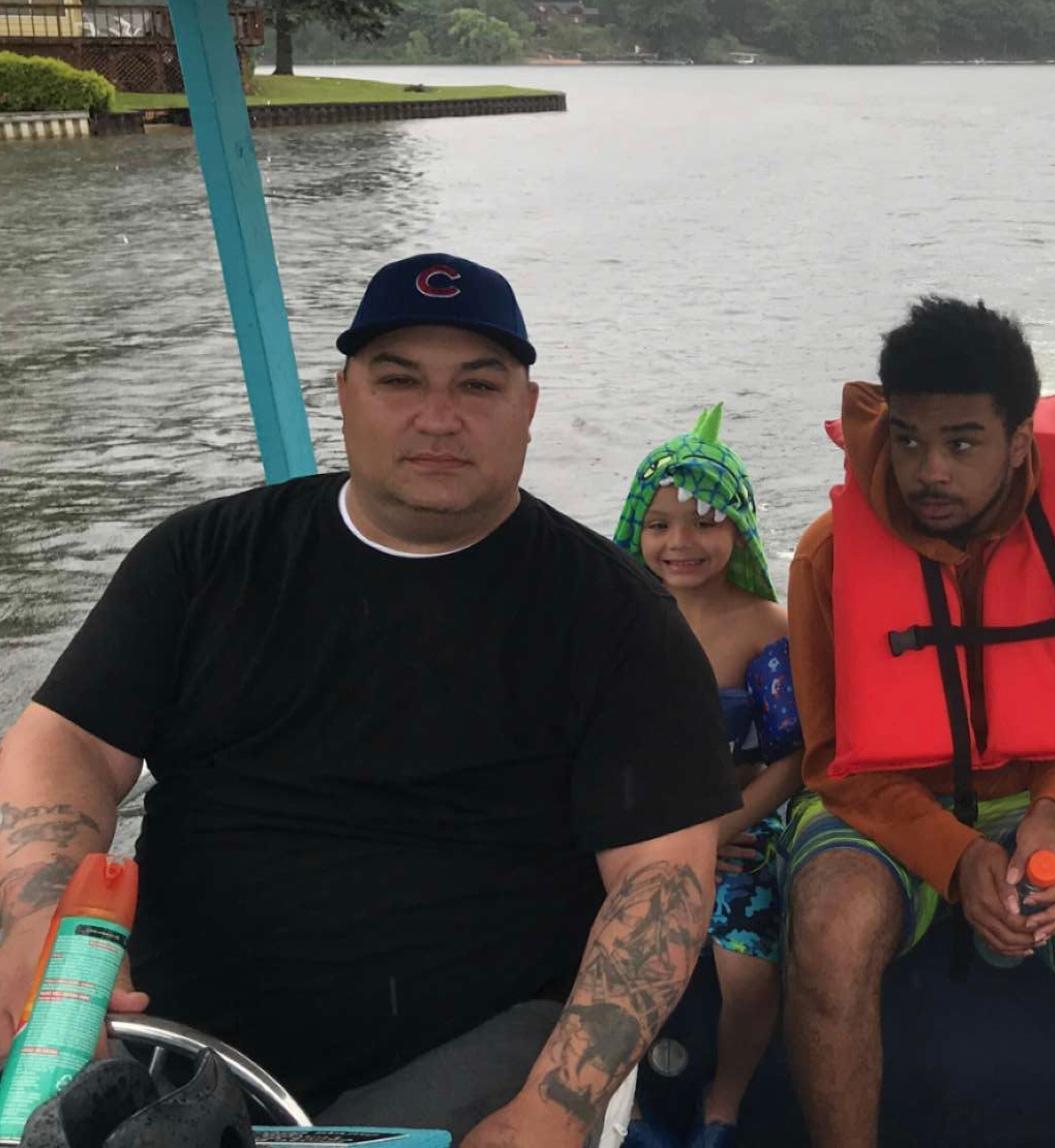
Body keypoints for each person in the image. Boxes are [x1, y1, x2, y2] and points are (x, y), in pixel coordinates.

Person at [0, 253, 737, 1146]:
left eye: (478, 385)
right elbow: (66, 744)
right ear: (344, 394)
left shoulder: (618, 618)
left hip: (471, 1055)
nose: (439, 417)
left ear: (529, 409)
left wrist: (553, 1110)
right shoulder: (203, 559)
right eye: (399, 380)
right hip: (163, 1031)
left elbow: (662, 879)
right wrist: (40, 924)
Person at [779, 297, 1055, 1148]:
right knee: (830, 928)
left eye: (962, 443)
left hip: (1047, 792)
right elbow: (833, 763)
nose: (928, 471)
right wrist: (955, 854)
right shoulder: (828, 554)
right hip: (880, 802)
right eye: (908, 440)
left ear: (1017, 442)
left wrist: (1052, 817)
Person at [612, 406, 801, 1148]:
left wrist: (718, 830)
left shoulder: (768, 627)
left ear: (740, 528)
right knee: (597, 940)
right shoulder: (615, 618)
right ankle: (625, 1103)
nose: (680, 543)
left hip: (742, 821)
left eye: (705, 523)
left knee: (743, 965)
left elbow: (794, 758)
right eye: (659, 524)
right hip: (637, 823)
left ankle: (723, 1105)